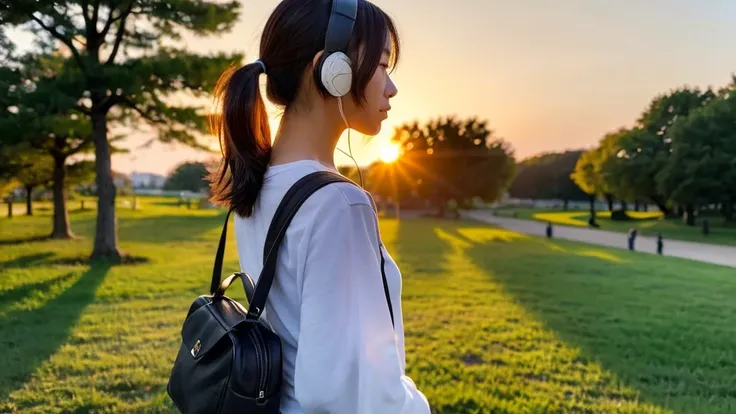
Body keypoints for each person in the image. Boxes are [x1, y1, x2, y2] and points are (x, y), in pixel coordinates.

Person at [206, 0, 431, 413]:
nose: (392, 87)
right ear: (332, 70)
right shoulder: (338, 204)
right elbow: (341, 392)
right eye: (382, 66)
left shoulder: (256, 184)